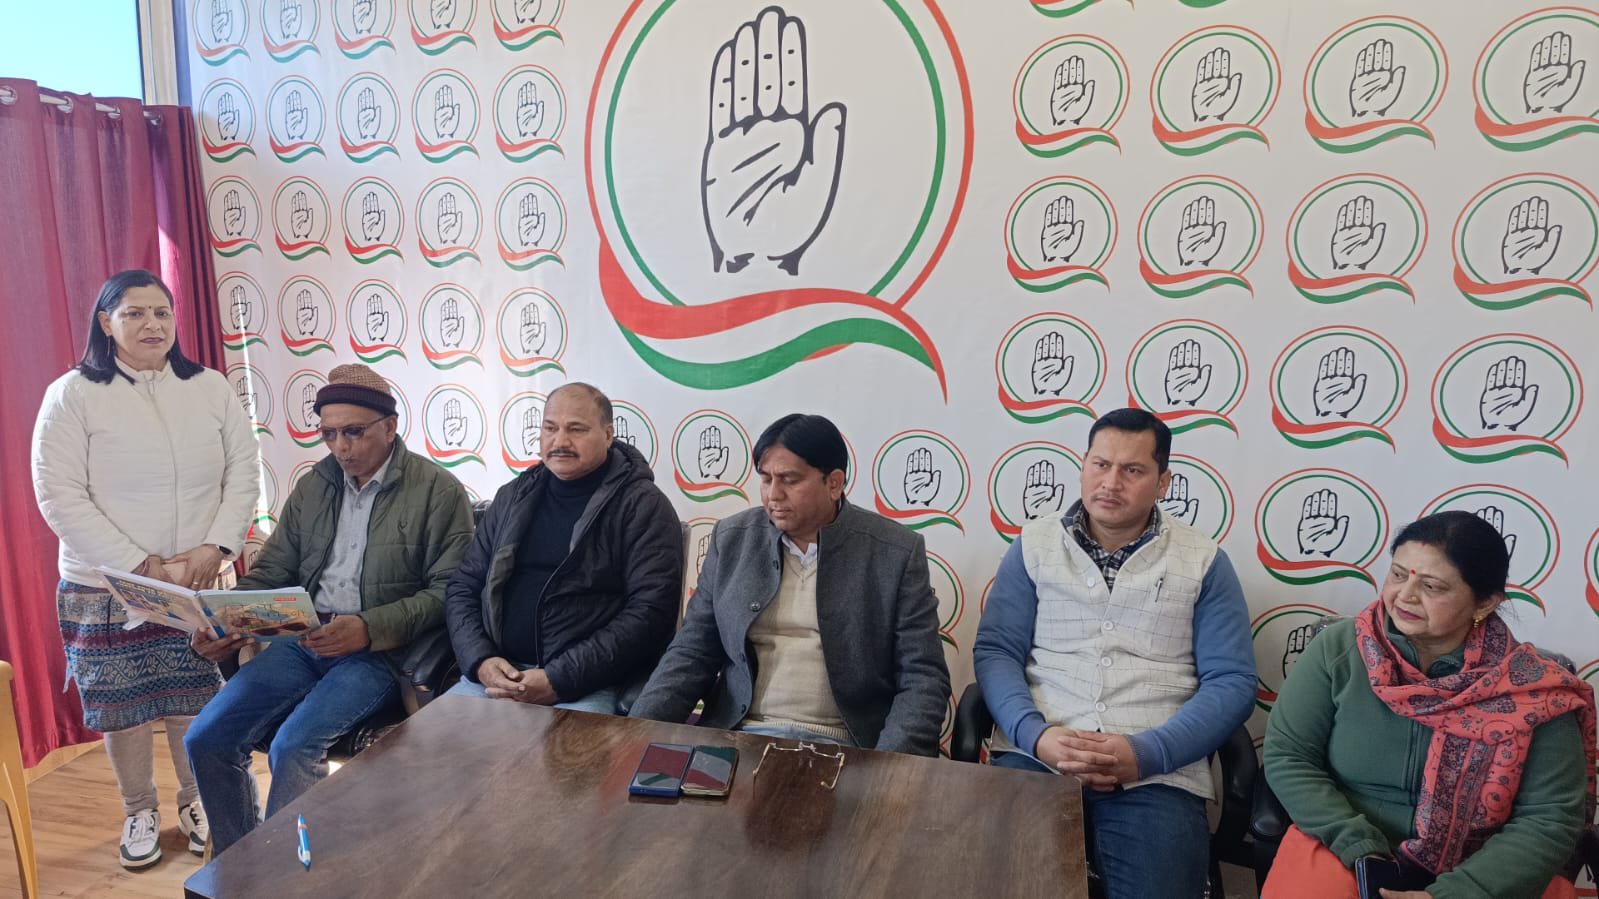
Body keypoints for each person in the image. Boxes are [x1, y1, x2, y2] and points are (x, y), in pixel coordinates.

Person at [184, 363, 474, 855]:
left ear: (390, 426)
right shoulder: (315, 485)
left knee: (294, 746)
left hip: (377, 652)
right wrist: (226, 620)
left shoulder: (437, 491)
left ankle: (290, 876)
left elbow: (450, 591)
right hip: (304, 640)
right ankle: (238, 867)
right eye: (329, 434)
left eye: (354, 432)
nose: (341, 447)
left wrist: (368, 628)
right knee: (205, 737)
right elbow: (274, 570)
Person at [972, 407, 1255, 899]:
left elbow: (1232, 682)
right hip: (1037, 757)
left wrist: (1146, 754)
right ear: (1083, 465)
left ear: (1163, 482)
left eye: (1133, 470)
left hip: (1156, 773)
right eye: (1100, 464)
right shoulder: (1034, 546)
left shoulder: (1204, 561)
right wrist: (1036, 735)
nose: (1110, 482)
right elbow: (997, 651)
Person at [30, 270, 259, 867]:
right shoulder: (72, 394)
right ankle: (139, 810)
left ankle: (197, 800)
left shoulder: (208, 387)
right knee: (123, 708)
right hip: (105, 584)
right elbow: (59, 494)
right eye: (134, 313)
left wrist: (217, 547)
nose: (152, 324)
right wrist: (136, 563)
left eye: (162, 312)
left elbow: (243, 469)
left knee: (195, 697)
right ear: (106, 323)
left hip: (195, 578)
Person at [1263, 511, 1595, 899]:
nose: (1405, 595)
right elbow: (1289, 756)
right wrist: (1358, 844)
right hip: (1345, 843)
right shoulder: (1339, 649)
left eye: (1432, 586)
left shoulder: (1535, 690)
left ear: (1485, 602)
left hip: (1488, 867)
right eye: (1398, 575)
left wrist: (1460, 892)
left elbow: (1549, 817)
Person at [629, 413, 949, 755]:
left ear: (834, 483)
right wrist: (634, 733)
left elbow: (923, 678)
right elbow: (692, 652)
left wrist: (887, 766)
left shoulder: (895, 552)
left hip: (848, 746)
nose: (773, 495)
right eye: (766, 479)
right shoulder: (731, 539)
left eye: (789, 480)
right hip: (738, 736)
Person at [444, 383, 682, 712]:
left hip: (586, 684)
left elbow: (651, 613)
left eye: (576, 429)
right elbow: (464, 586)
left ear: (608, 435)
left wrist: (559, 679)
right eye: (550, 428)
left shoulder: (643, 506)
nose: (560, 442)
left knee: (559, 750)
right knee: (431, 743)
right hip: (496, 676)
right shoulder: (512, 496)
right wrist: (481, 660)